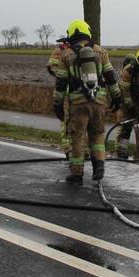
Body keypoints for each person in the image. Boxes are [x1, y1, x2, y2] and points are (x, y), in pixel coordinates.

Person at [51, 20, 121, 184]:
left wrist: (57, 104)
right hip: (99, 101)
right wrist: (116, 97)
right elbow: (111, 77)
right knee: (97, 134)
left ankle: (77, 174)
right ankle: (99, 166)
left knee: (78, 136)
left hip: (78, 102)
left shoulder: (66, 55)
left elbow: (60, 83)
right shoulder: (101, 52)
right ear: (87, 32)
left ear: (71, 34)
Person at [46, 35, 72, 158]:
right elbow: (51, 66)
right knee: (65, 121)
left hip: (77, 92)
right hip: (66, 92)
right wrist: (63, 77)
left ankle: (81, 150)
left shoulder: (76, 51)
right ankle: (69, 150)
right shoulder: (59, 51)